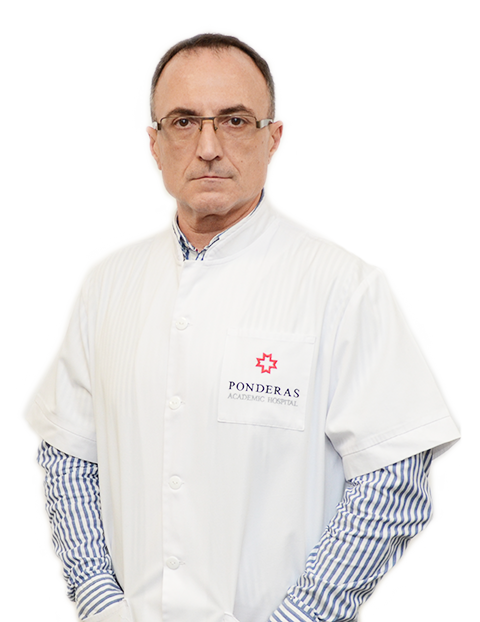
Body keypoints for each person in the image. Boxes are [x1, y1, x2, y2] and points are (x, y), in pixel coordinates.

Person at [28, 33, 461, 622]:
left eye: (234, 121)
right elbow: (69, 454)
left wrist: (301, 617)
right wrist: (100, 602)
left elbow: (393, 480)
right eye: (183, 122)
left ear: (273, 138)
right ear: (154, 143)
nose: (208, 147)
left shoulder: (345, 286)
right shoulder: (106, 281)